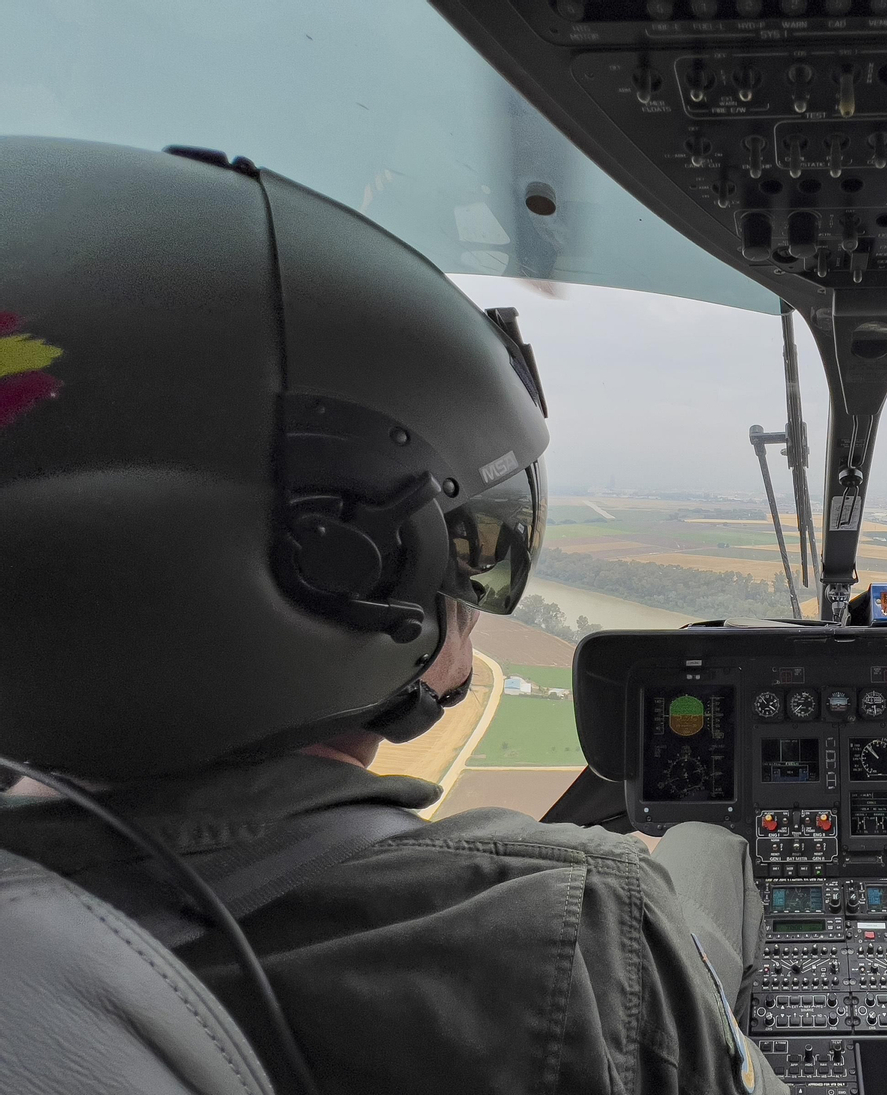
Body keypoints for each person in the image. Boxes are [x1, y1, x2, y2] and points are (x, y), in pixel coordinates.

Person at [0, 138, 782, 1095]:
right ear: (340, 565)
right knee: (713, 852)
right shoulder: (572, 933)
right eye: (476, 554)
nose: (478, 609)